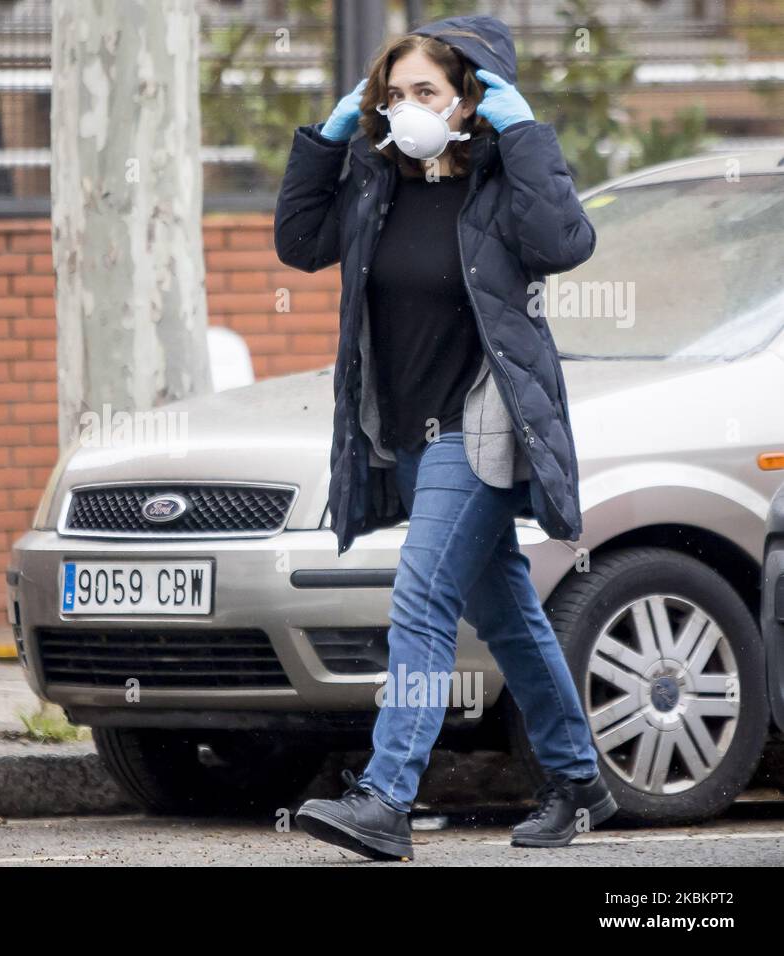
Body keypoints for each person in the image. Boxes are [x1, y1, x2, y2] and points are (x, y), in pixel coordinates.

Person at [273, 14, 617, 861]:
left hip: (482, 424)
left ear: (471, 101)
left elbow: (567, 241)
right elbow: (296, 241)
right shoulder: (376, 185)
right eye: (392, 94)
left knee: (421, 600)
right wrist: (330, 135)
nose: (405, 107)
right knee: (506, 614)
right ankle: (578, 781)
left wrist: (525, 130)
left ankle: (386, 797)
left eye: (425, 91)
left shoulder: (502, 189)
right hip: (411, 436)